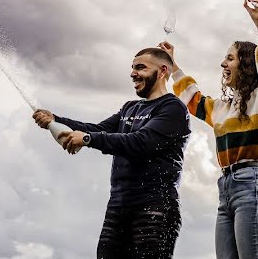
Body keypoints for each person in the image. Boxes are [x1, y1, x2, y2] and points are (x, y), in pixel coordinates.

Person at [161, 0, 258, 259]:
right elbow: (193, 99)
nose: (223, 64)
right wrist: (173, 66)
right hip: (226, 188)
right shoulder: (222, 108)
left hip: (252, 184)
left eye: (229, 58)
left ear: (246, 64)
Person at [32, 46, 190, 259]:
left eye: (140, 68)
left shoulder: (173, 108)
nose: (133, 73)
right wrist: (56, 120)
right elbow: (97, 129)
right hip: (117, 206)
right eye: (132, 68)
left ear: (162, 71)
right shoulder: (129, 108)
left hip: (154, 209)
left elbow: (141, 142)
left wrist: (87, 139)